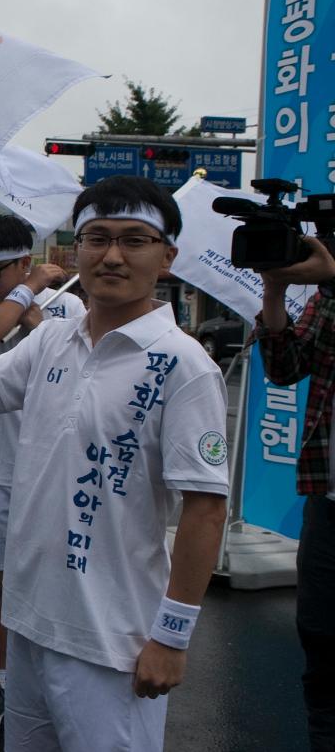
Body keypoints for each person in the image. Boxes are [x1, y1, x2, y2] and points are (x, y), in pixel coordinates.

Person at [0, 177, 228, 752]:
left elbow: (205, 508)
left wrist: (172, 636)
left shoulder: (184, 366)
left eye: (134, 240)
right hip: (29, 622)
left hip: (112, 640)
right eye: (96, 238)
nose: (111, 255)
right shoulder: (53, 342)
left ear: (167, 256)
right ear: (73, 251)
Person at [0, 215, 85, 729]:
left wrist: (31, 312)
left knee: (58, 578)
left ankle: (53, 682)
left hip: (54, 468)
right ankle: (4, 682)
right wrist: (26, 292)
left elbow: (68, 358)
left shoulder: (69, 304)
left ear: (24, 260)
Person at [252, 234, 335, 752]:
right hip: (329, 504)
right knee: (321, 639)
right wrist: (275, 292)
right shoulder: (328, 299)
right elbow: (285, 367)